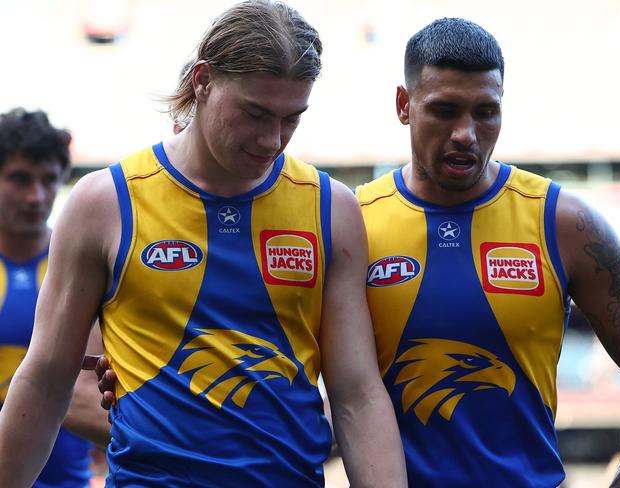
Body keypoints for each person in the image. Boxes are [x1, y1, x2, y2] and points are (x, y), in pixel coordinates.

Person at [0, 1, 407, 487]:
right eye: (255, 113)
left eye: (292, 118)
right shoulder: (104, 203)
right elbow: (46, 380)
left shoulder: (331, 210)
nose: (272, 139)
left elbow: (357, 394)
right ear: (203, 81)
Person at [355, 17, 620, 487]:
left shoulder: (563, 223)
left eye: (485, 112)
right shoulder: (354, 222)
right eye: (445, 110)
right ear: (404, 106)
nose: (466, 133)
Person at [0, 108, 108, 487]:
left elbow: (88, 394)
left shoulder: (88, 265)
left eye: (49, 180)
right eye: (20, 179)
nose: (37, 195)